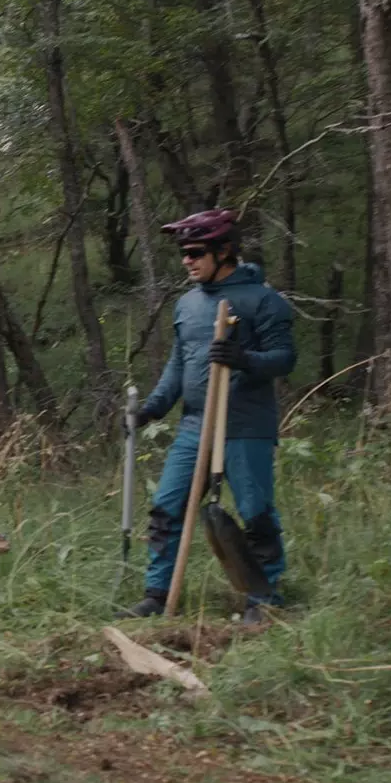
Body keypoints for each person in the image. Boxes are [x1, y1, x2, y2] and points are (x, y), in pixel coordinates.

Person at [118, 209, 296, 625]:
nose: (187, 260)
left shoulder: (265, 301)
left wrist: (245, 358)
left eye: (195, 251)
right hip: (195, 426)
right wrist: (151, 409)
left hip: (245, 426)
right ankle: (157, 595)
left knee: (255, 514)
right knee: (166, 509)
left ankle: (264, 598)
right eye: (183, 252)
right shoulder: (188, 304)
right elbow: (178, 366)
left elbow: (285, 359)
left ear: (225, 250)